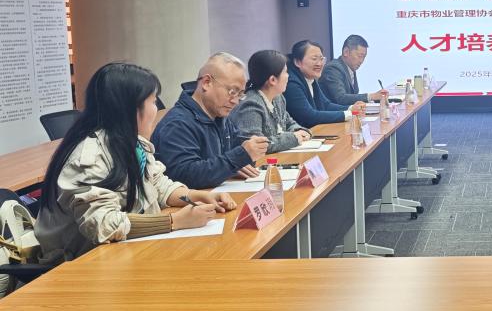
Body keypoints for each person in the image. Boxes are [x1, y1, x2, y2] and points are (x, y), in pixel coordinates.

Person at [35, 62, 237, 262]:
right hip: (79, 265)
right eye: (152, 102)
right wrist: (174, 221)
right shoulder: (89, 157)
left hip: (120, 254)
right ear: (129, 108)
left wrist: (199, 196)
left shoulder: (132, 143)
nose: (156, 109)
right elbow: (102, 224)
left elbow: (158, 185)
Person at [153, 52, 269, 189]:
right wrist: (238, 158)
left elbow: (236, 155)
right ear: (206, 83)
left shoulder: (220, 116)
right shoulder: (177, 124)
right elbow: (185, 177)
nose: (236, 101)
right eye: (232, 91)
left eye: (240, 94)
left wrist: (243, 157)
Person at [230, 50, 313, 153]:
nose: (288, 76)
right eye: (285, 72)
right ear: (272, 80)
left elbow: (289, 123)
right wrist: (293, 138)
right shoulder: (250, 105)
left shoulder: (278, 98)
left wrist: (300, 131)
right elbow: (257, 146)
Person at [283, 40, 349, 127]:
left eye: (321, 59)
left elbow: (325, 105)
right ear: (298, 62)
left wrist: (350, 108)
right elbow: (309, 117)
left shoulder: (310, 77)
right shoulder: (291, 83)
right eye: (314, 59)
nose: (319, 64)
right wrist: (347, 115)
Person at [320, 34, 389, 108]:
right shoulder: (333, 68)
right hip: (333, 114)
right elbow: (341, 98)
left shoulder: (350, 68)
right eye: (359, 56)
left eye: (364, 57)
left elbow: (353, 97)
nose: (361, 61)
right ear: (346, 52)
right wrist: (371, 96)